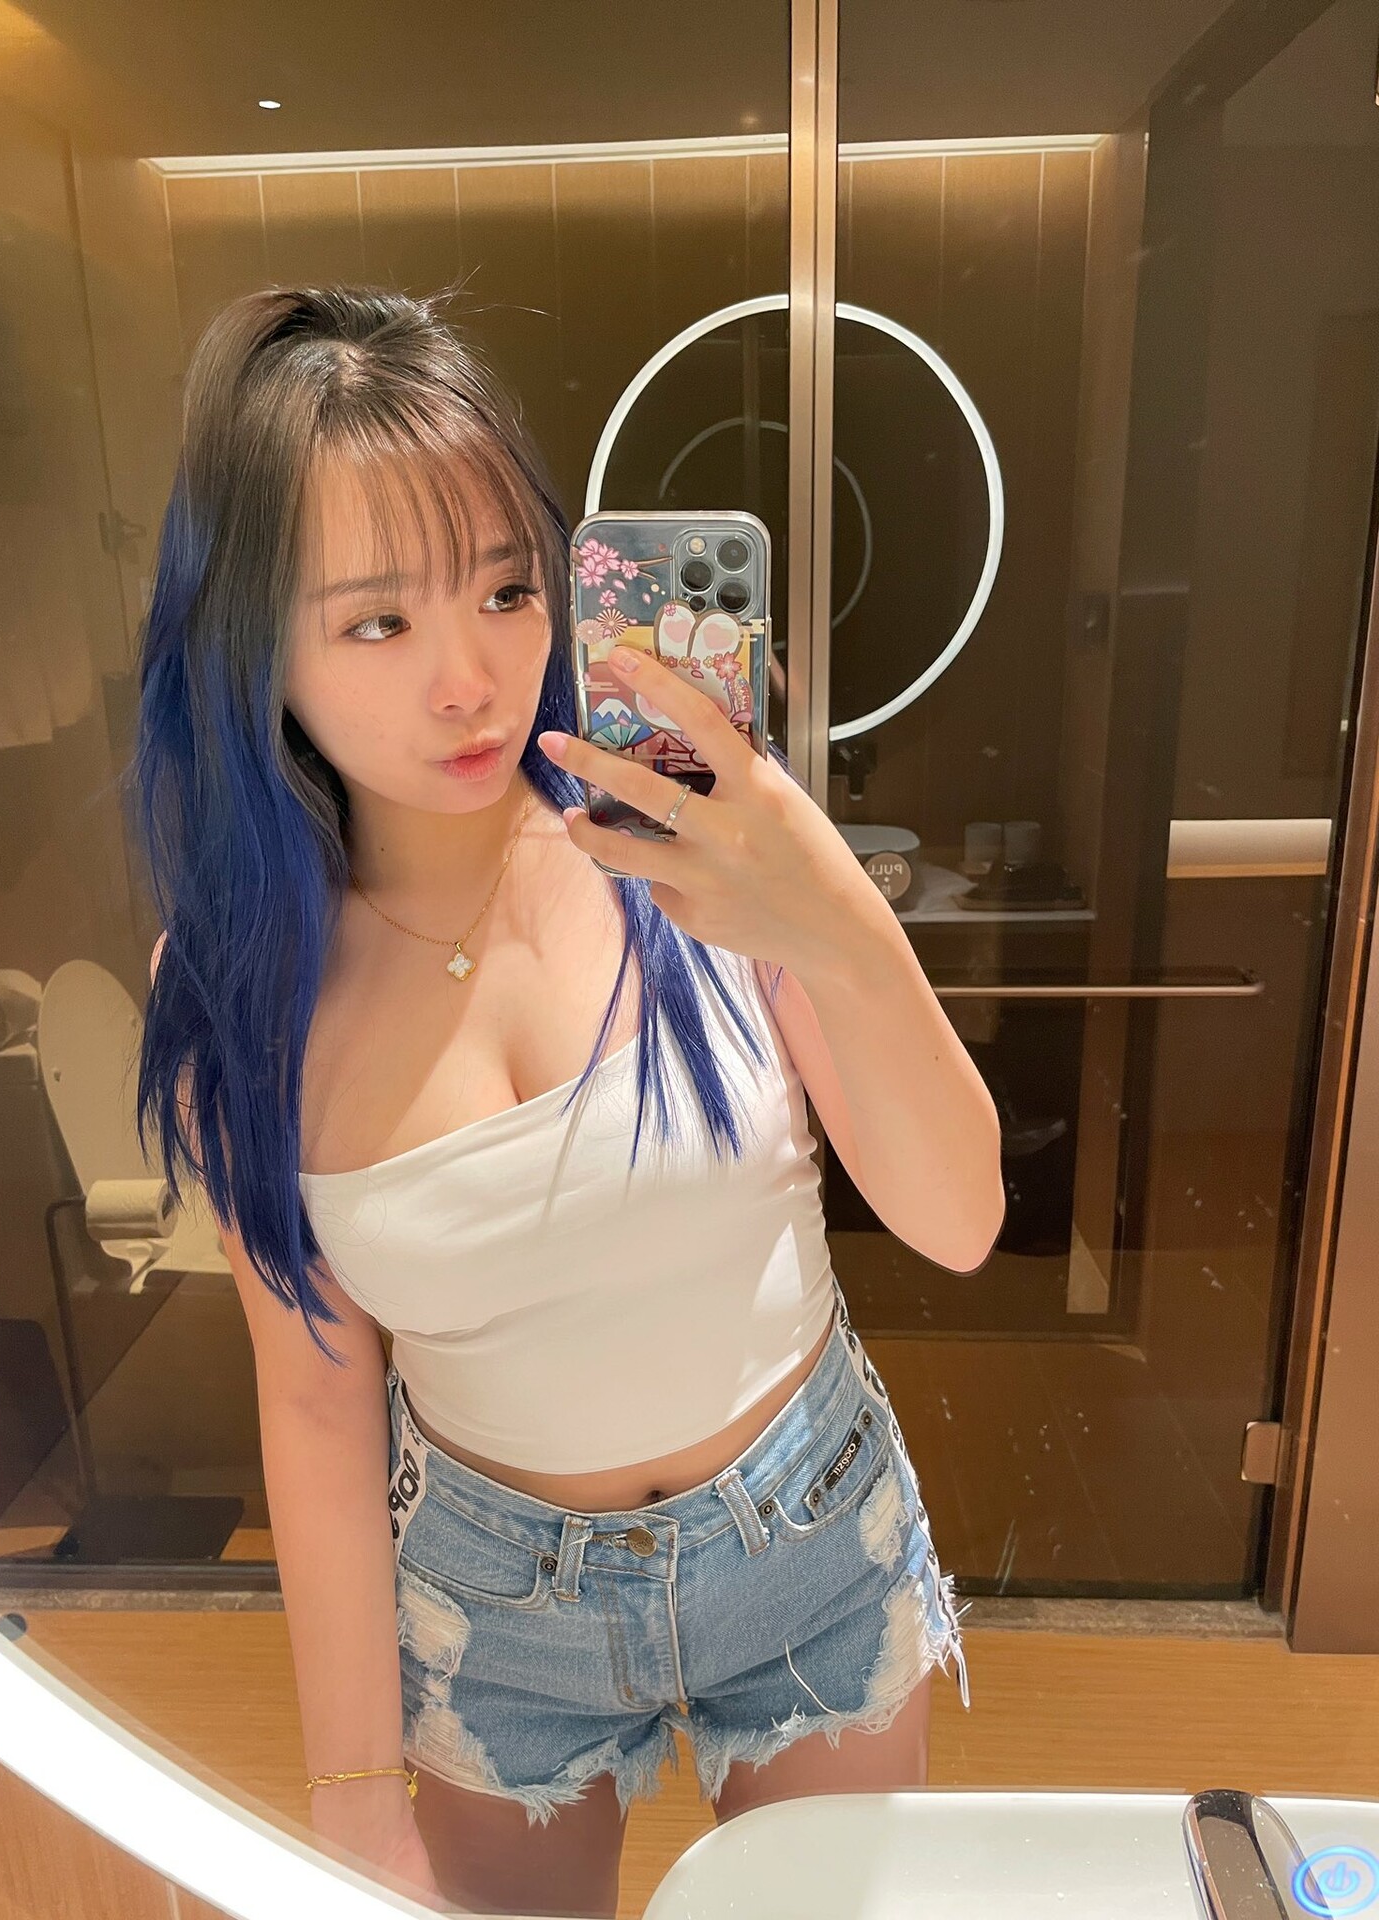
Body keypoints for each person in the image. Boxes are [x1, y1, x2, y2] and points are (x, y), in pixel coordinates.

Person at [133, 283, 1005, 1919]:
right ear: (253, 646)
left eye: (507, 588)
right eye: (377, 623)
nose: (471, 679)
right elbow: (316, 1404)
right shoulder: (239, 979)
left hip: (807, 1533)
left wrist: (833, 915)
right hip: (493, 1597)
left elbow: (959, 1222)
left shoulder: (699, 845)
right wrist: (349, 1802)